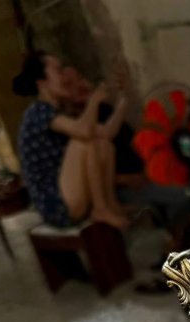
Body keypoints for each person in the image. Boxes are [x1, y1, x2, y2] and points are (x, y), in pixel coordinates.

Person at [13, 51, 128, 229]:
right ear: (42, 83)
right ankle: (100, 209)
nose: (65, 77)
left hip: (70, 192)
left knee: (104, 145)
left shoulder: (59, 113)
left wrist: (124, 97)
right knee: (85, 142)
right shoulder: (38, 112)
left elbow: (107, 132)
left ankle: (110, 204)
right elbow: (84, 132)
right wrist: (94, 101)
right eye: (58, 71)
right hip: (56, 204)